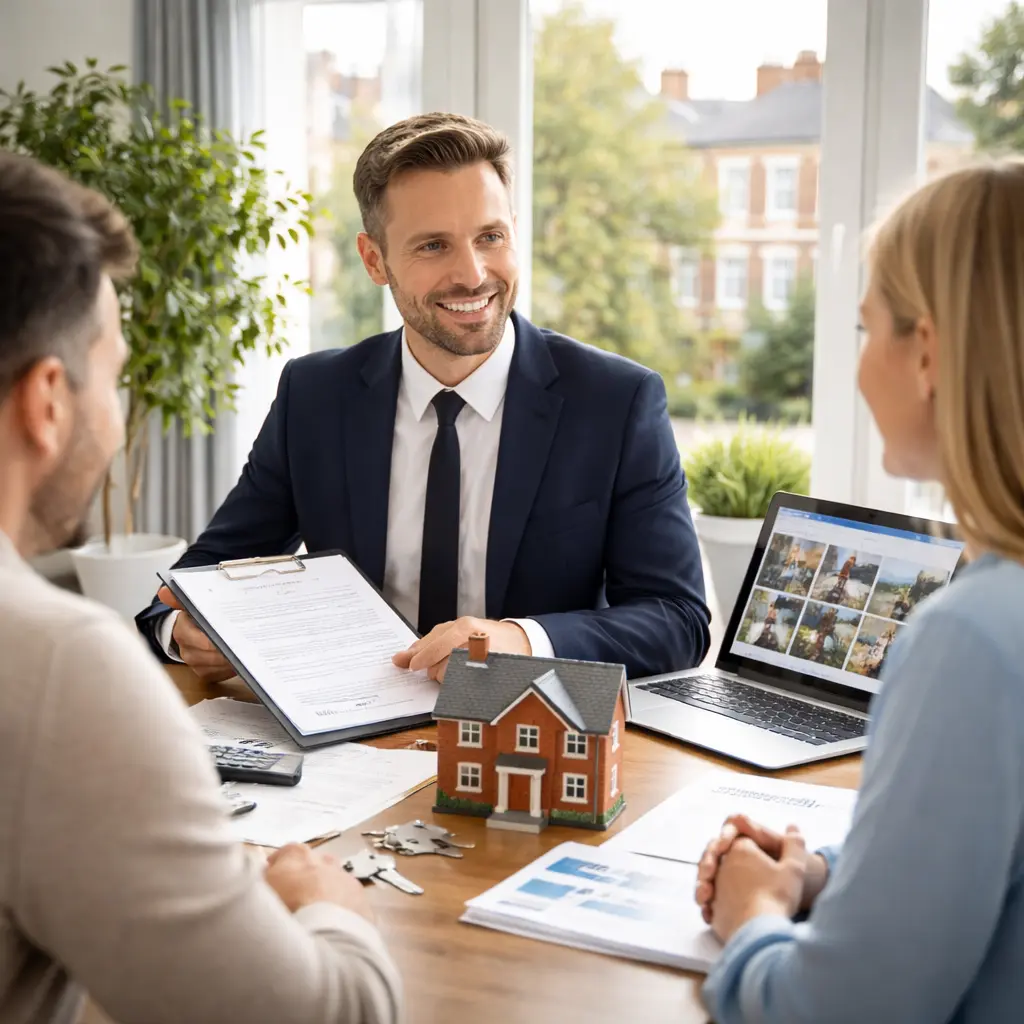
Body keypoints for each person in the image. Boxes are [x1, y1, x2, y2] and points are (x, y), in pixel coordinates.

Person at [0, 153, 400, 1022]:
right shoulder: (56, 666)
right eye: (117, 377)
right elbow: (337, 1014)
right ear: (48, 404)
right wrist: (329, 902)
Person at [136, 112, 710, 683]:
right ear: (374, 260)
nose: (473, 273)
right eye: (433, 246)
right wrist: (179, 632)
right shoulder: (314, 396)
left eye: (491, 237)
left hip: (524, 731)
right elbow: (195, 581)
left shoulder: (617, 402)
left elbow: (677, 620)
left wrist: (520, 639)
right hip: (351, 735)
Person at [694, 160, 1024, 1023]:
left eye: (864, 327)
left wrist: (754, 919)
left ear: (927, 355)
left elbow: (838, 1011)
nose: (857, 369)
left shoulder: (971, 642)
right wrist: (825, 872)